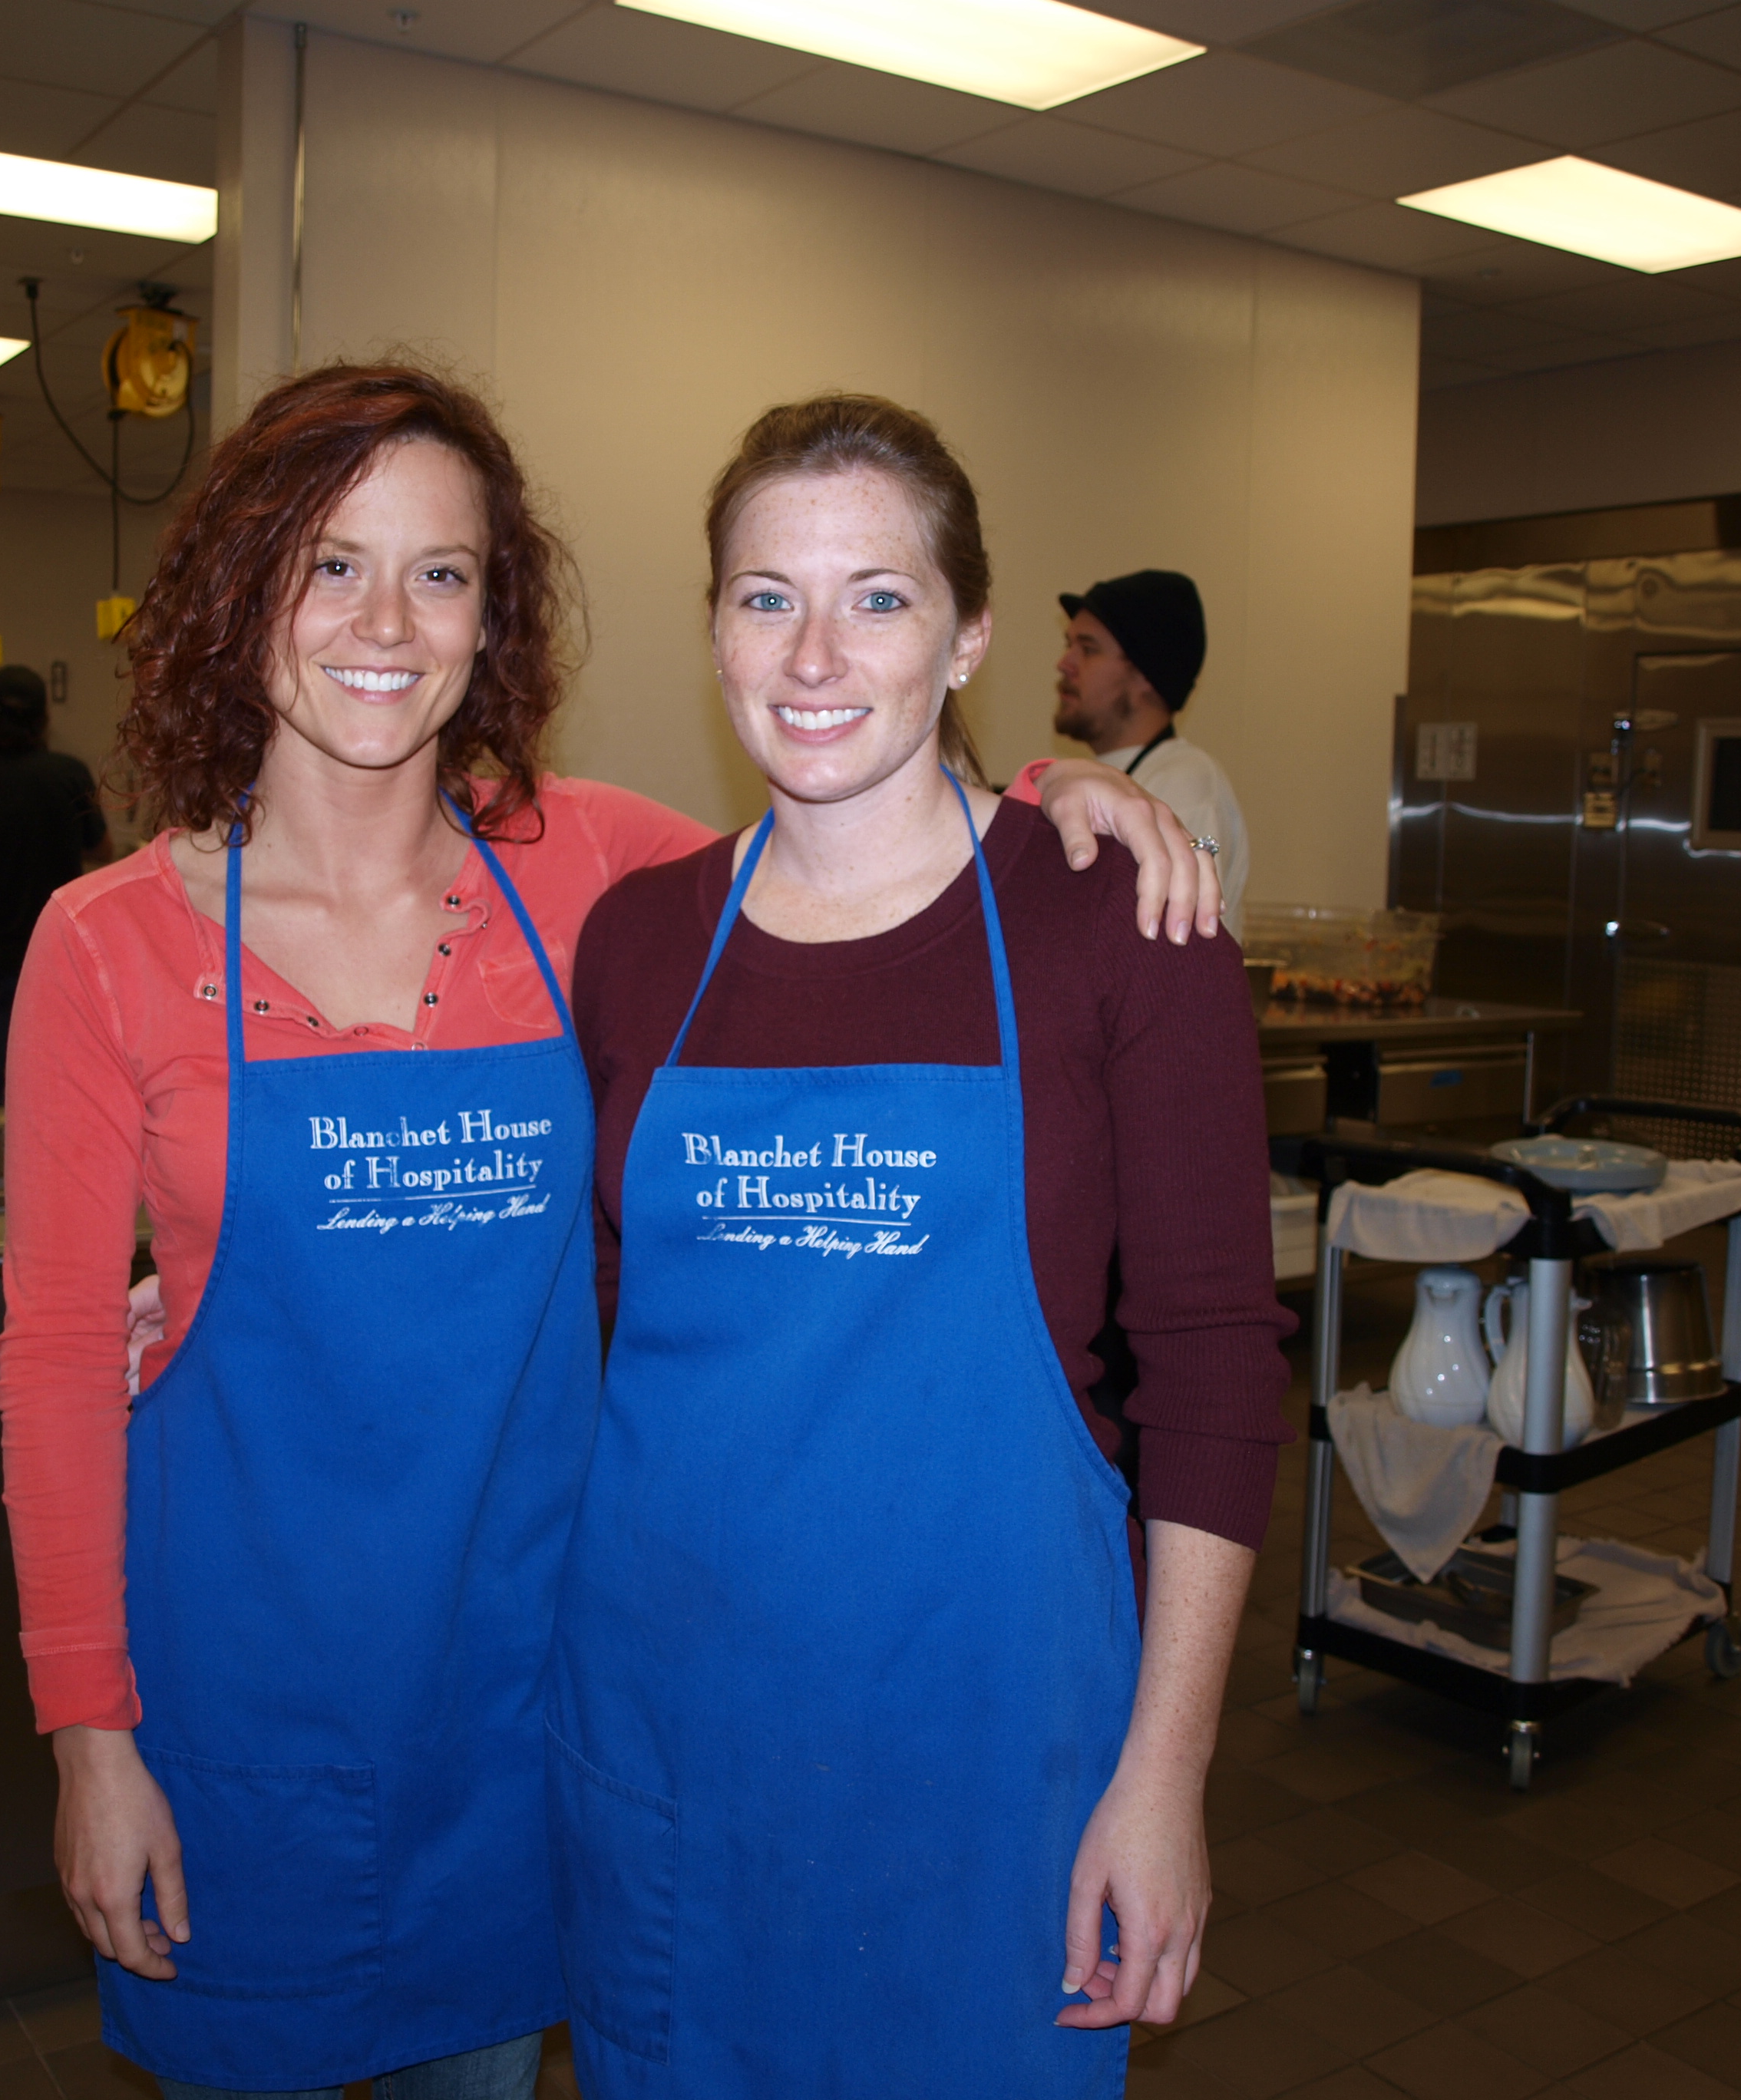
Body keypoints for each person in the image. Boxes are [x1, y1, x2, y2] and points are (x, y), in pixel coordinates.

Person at [0, 365, 1221, 2100]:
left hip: (519, 1709)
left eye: (441, 572)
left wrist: (1066, 797)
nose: (387, 622)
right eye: (330, 563)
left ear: (489, 616)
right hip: (239, 1705)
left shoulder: (587, 880)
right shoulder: (106, 942)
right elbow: (54, 1363)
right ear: (237, 589)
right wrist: (87, 1735)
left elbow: (858, 845)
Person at [553, 398, 1293, 2098]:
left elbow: (1212, 1366)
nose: (813, 654)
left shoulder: (1120, 919)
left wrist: (1163, 1776)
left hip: (993, 1757)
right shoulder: (641, 938)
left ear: (968, 638)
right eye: (766, 598)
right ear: (714, 631)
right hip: (669, 1747)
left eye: (877, 599)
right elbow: (582, 1312)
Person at [0, 665, 108, 1109]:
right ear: (44, 719)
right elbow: (101, 849)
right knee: (54, 1100)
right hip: (56, 966)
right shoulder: (68, 776)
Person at [1054, 569, 1250, 937]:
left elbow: (1173, 947)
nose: (1064, 663)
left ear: (1146, 675)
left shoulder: (1185, 784)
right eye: (1069, 645)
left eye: (1089, 649)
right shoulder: (1101, 778)